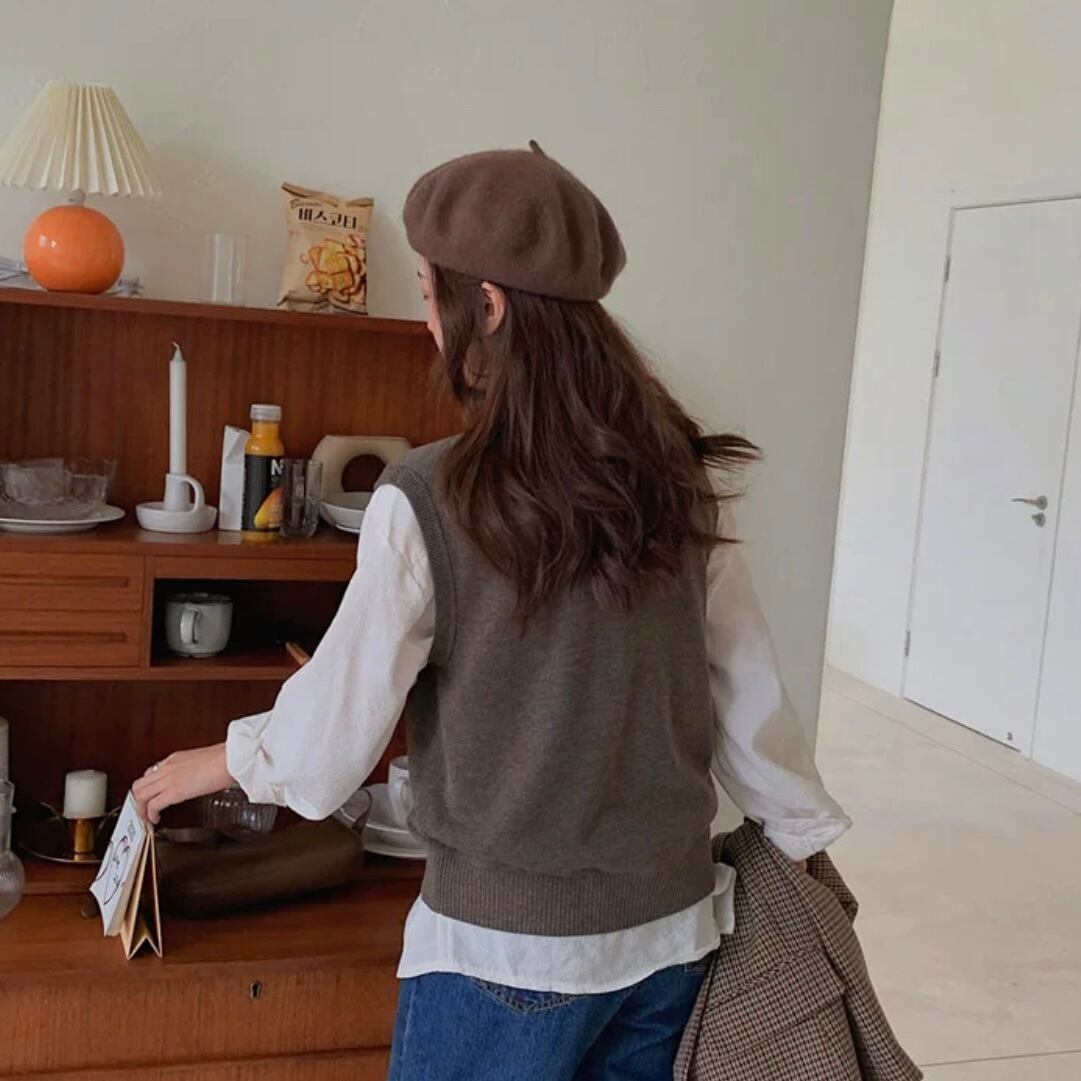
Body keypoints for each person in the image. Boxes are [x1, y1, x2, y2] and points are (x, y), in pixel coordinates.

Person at [133, 143, 850, 1081]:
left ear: (490, 306)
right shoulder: (676, 481)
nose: (426, 321)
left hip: (505, 952)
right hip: (671, 936)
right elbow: (745, 692)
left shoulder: (428, 497)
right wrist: (800, 838)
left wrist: (222, 758)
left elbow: (325, 752)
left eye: (429, 293)